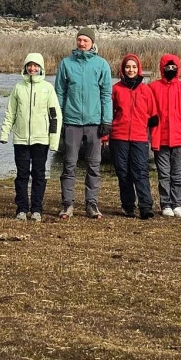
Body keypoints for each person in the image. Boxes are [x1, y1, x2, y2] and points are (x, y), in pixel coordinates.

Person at [54, 27, 113, 219]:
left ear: (92, 42)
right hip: (71, 122)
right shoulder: (66, 63)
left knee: (94, 165)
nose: (81, 43)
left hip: (94, 123)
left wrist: (106, 120)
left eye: (85, 40)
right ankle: (67, 204)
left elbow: (106, 94)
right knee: (69, 164)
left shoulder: (101, 64)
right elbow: (60, 93)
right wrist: (59, 119)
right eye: (79, 40)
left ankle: (92, 204)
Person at [0, 52, 62, 221]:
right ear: (25, 67)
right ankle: (21, 209)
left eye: (35, 66)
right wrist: (5, 133)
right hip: (21, 139)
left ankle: (36, 209)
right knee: (22, 175)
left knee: (39, 175)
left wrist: (54, 141)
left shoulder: (47, 88)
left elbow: (55, 116)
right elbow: (10, 112)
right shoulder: (18, 87)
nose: (32, 68)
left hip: (41, 140)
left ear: (41, 68)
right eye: (30, 65)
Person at [110, 53, 158, 219]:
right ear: (123, 69)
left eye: (134, 67)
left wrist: (153, 139)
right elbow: (109, 113)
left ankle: (145, 206)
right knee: (123, 172)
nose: (131, 70)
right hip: (119, 136)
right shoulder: (116, 89)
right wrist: (105, 135)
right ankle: (128, 205)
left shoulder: (146, 90)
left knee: (141, 171)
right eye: (128, 67)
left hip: (139, 137)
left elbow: (153, 116)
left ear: (139, 69)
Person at [150, 53, 181, 218]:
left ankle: (177, 204)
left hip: (180, 138)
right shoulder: (153, 87)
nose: (170, 69)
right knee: (164, 174)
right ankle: (165, 204)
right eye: (167, 67)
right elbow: (148, 110)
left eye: (173, 67)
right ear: (162, 68)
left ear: (178, 68)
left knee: (178, 175)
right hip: (161, 138)